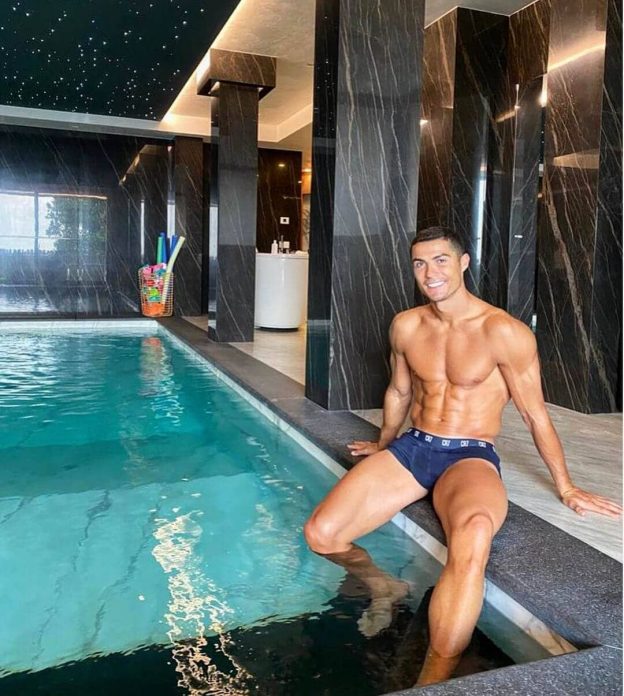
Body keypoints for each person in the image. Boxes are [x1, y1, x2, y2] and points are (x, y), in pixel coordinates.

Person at [303, 226, 622, 686]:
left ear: (463, 262)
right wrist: (384, 443)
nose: (429, 273)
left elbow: (535, 415)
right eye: (419, 263)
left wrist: (566, 486)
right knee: (322, 534)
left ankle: (431, 682)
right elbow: (399, 391)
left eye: (440, 260)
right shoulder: (406, 325)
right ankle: (383, 584)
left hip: (469, 454)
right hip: (415, 446)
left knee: (473, 536)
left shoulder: (503, 332)